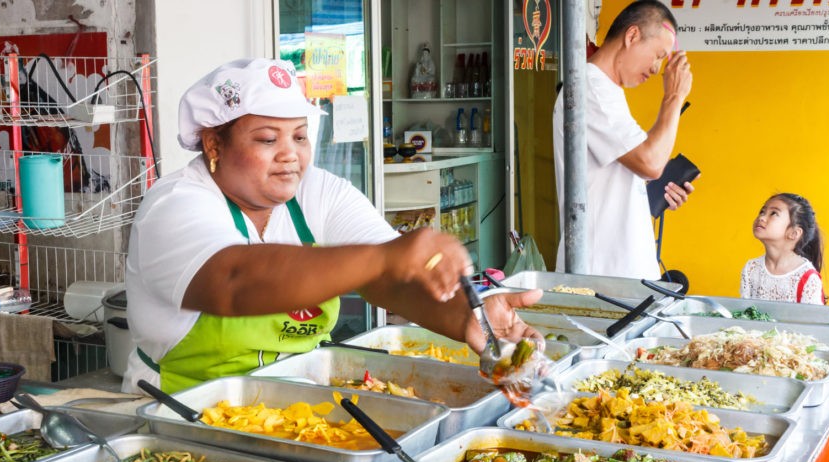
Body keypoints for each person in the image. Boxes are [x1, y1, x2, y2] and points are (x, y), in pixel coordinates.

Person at [123, 58, 543, 393]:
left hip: (298, 411)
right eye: (269, 139)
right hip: (182, 416)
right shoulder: (175, 205)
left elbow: (391, 283)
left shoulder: (319, 193)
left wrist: (465, 317)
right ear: (214, 143)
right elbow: (234, 280)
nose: (290, 155)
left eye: (300, 137)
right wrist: (385, 257)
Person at [553, 0, 695, 279]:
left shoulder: (608, 91)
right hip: (603, 276)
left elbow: (634, 171)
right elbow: (650, 162)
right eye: (657, 55)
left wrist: (660, 190)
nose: (657, 69)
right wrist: (673, 97)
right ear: (632, 36)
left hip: (623, 273)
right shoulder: (589, 88)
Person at [740, 193, 825, 305]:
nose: (761, 217)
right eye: (762, 212)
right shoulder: (751, 269)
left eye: (774, 213)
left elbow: (813, 321)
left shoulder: (808, 278)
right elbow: (745, 314)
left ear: (794, 233)